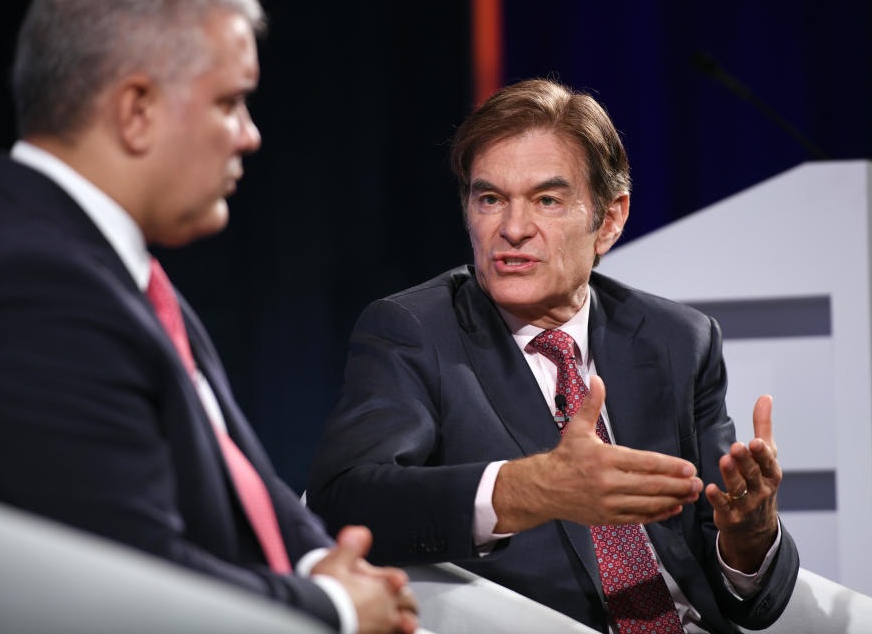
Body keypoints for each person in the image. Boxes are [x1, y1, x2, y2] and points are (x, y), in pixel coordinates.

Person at [0, 0, 416, 634]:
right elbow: (132, 581)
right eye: (230, 102)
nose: (249, 135)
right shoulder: (35, 283)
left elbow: (236, 473)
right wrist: (337, 610)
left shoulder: (115, 267)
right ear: (136, 111)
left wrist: (319, 561)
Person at [307, 78, 799, 633]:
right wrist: (531, 488)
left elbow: (743, 588)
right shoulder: (416, 332)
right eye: (489, 199)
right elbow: (342, 499)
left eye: (547, 200)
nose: (512, 229)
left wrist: (750, 537)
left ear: (608, 220)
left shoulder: (677, 339)